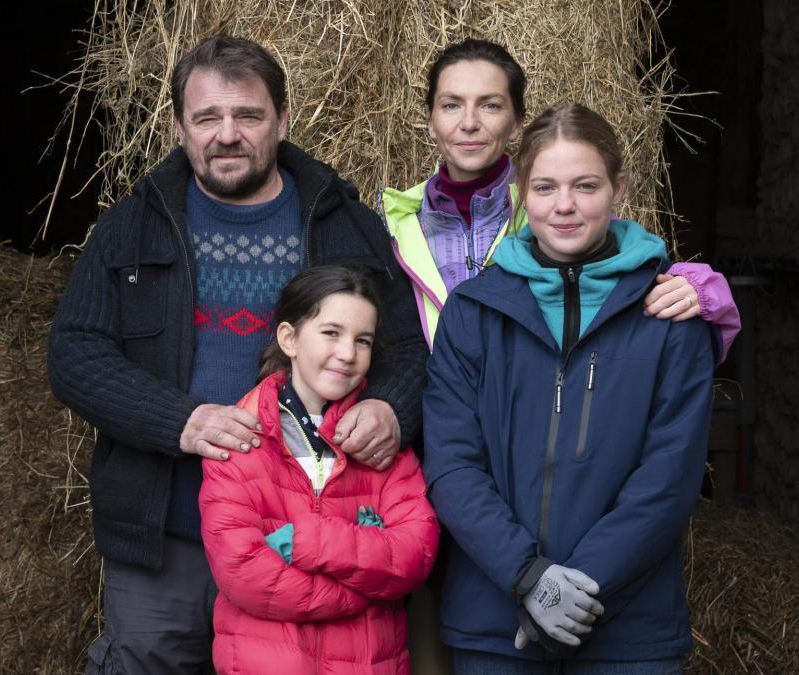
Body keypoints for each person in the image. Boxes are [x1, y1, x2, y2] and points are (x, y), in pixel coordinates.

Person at [47, 36, 428, 673]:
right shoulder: (132, 226)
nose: (228, 135)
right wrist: (181, 420)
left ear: (281, 119)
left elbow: (408, 351)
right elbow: (75, 355)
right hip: (169, 532)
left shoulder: (344, 224)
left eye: (248, 116)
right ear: (178, 127)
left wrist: (392, 408)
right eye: (207, 118)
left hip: (307, 535)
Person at [423, 103, 714, 673]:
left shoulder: (670, 315)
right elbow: (452, 461)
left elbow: (669, 477)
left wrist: (584, 586)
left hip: (628, 630)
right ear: (520, 194)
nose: (564, 206)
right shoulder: (475, 311)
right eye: (545, 186)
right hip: (495, 623)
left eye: (585, 186)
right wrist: (527, 576)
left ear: (619, 188)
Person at [379, 39, 741, 354]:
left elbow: (629, 257)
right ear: (429, 120)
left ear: (518, 121)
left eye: (490, 105)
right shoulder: (395, 222)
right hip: (434, 421)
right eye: (451, 105)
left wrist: (705, 289)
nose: (469, 122)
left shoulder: (549, 207)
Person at [198, 265, 440, 674]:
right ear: (289, 338)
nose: (347, 353)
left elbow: (415, 554)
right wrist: (365, 583)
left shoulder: (382, 445)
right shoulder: (240, 438)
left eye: (362, 340)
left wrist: (307, 540)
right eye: (331, 333)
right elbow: (244, 573)